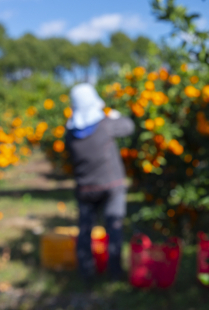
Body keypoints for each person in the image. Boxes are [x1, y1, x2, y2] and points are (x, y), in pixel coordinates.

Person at [65, 83, 134, 280]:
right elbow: (129, 126)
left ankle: (86, 272)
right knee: (114, 227)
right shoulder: (106, 123)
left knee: (85, 230)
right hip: (112, 185)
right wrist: (114, 114)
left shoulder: (70, 132)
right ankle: (115, 272)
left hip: (85, 188)